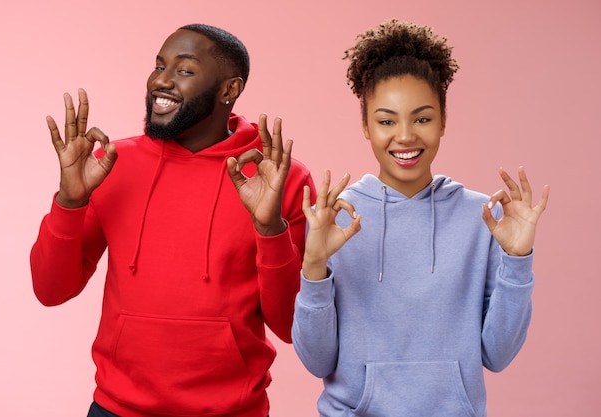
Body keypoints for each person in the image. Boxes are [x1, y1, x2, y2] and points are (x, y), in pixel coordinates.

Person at [30, 23, 315, 417]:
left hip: (233, 411)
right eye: (159, 65)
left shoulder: (277, 176)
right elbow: (50, 290)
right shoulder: (112, 163)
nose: (160, 81)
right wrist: (69, 201)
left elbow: (291, 327)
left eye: (183, 70)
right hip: (117, 409)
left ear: (229, 90)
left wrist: (270, 230)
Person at [291, 18, 550, 417]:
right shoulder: (335, 219)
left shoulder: (481, 217)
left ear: (444, 120)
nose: (406, 136)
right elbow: (316, 362)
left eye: (422, 118)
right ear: (365, 125)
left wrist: (517, 262)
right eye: (386, 120)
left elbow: (497, 355)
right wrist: (313, 268)